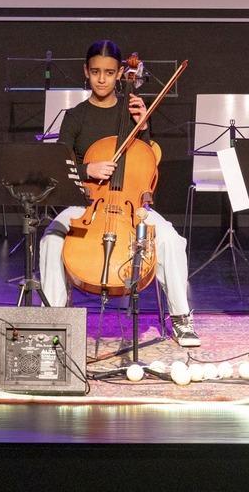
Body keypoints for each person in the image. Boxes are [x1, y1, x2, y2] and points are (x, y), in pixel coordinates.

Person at [37, 40, 199, 347]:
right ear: (86, 72)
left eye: (109, 73)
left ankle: (181, 317)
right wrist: (88, 170)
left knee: (170, 239)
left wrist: (144, 125)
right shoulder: (75, 117)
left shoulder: (133, 111)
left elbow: (148, 162)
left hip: (130, 206)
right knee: (51, 239)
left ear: (120, 74)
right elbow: (60, 166)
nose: (102, 79)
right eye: (96, 71)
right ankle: (55, 318)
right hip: (86, 204)